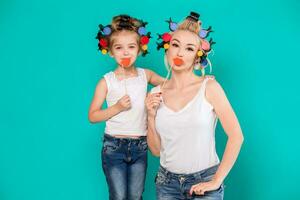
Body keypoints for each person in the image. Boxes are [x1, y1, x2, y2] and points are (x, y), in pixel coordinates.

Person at [146, 12, 244, 200]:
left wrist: (216, 181)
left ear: (197, 57)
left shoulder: (210, 87)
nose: (180, 53)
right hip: (166, 185)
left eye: (189, 49)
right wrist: (150, 116)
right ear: (167, 49)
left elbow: (236, 136)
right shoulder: (155, 93)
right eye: (175, 45)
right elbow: (157, 151)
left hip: (204, 182)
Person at [89, 14, 164, 200]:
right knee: (119, 196)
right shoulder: (106, 81)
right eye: (119, 48)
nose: (125, 52)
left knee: (136, 195)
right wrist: (116, 108)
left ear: (139, 49)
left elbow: (172, 84)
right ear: (111, 51)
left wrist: (200, 81)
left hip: (140, 145)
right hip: (114, 146)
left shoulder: (145, 75)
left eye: (131, 47)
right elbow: (93, 115)